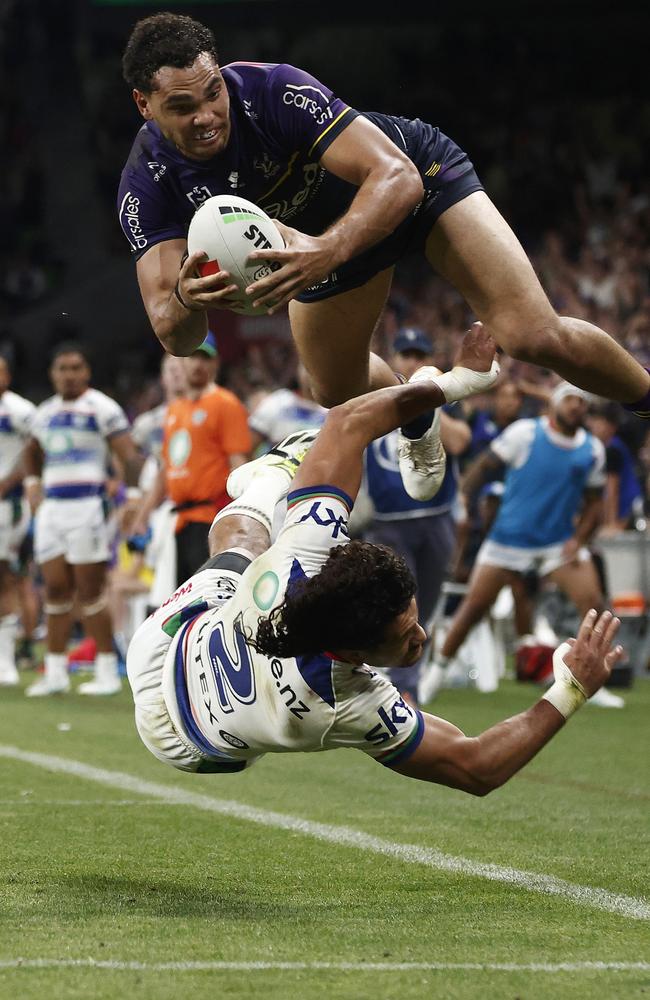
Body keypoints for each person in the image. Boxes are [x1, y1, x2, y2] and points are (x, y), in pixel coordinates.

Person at [118, 12, 650, 506]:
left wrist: (325, 251)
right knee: (333, 389)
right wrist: (188, 298)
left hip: (414, 182)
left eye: (212, 94)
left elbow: (397, 178)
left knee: (532, 335)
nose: (208, 116)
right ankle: (416, 411)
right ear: (145, 104)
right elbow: (175, 335)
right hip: (321, 244)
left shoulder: (272, 90)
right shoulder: (147, 187)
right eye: (182, 108)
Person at [127, 324, 623, 792]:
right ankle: (281, 473)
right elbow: (476, 767)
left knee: (242, 545)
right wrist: (570, 689)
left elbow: (346, 421)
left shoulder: (303, 554)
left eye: (412, 624)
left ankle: (276, 474)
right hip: (187, 737)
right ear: (358, 651)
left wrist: (456, 385)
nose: (422, 634)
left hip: (167, 651)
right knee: (248, 554)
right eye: (406, 635)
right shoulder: (348, 702)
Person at [419, 382, 625, 708]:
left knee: (593, 604)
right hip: (507, 542)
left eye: (582, 402)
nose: (576, 406)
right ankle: (435, 675)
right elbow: (484, 467)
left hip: (556, 545)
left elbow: (594, 503)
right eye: (570, 399)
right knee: (472, 610)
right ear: (554, 404)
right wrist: (463, 497)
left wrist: (579, 539)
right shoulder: (525, 433)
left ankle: (594, 682)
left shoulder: (593, 451)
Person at [23, 343, 143, 696]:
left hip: (87, 507)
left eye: (76, 368)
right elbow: (31, 451)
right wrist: (32, 483)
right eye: (62, 368)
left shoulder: (102, 408)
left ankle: (106, 669)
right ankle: (56, 671)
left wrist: (132, 496)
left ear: (87, 372)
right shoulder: (42, 413)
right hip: (52, 510)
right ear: (52, 374)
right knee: (55, 589)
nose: (69, 375)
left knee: (91, 591)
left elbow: (130, 456)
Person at [364, 327, 470, 705]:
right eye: (405, 355)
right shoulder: (374, 398)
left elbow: (460, 440)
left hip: (435, 515)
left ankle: (407, 674)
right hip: (389, 522)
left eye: (417, 356)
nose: (410, 362)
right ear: (394, 358)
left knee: (425, 600)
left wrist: (423, 408)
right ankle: (400, 682)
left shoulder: (439, 400)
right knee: (398, 600)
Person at [131, 331, 251, 586]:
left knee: (208, 598)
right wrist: (142, 517)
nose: (197, 364)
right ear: (180, 363)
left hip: (211, 518)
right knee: (185, 606)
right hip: (180, 522)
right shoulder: (175, 410)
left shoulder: (225, 404)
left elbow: (240, 465)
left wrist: (242, 517)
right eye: (191, 357)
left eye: (204, 358)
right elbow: (166, 471)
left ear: (215, 363)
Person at [0, 357, 36, 686]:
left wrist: (7, 483)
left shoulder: (21, 411)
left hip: (7, 505)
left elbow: (35, 454)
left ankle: (8, 658)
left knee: (8, 576)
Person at [587, 401, 643, 535]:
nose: (593, 426)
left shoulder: (613, 449)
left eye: (599, 421)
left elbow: (612, 489)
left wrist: (611, 523)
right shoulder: (607, 448)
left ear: (610, 426)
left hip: (629, 508)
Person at [248, 362, 326, 452]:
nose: (312, 373)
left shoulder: (338, 410)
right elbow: (247, 449)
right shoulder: (278, 402)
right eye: (307, 367)